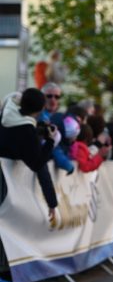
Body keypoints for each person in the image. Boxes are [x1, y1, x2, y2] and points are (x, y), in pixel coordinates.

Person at [0, 89, 59, 220]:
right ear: (41, 109)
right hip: (3, 188)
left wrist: (37, 128)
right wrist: (50, 140)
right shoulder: (27, 131)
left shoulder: (7, 112)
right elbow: (37, 164)